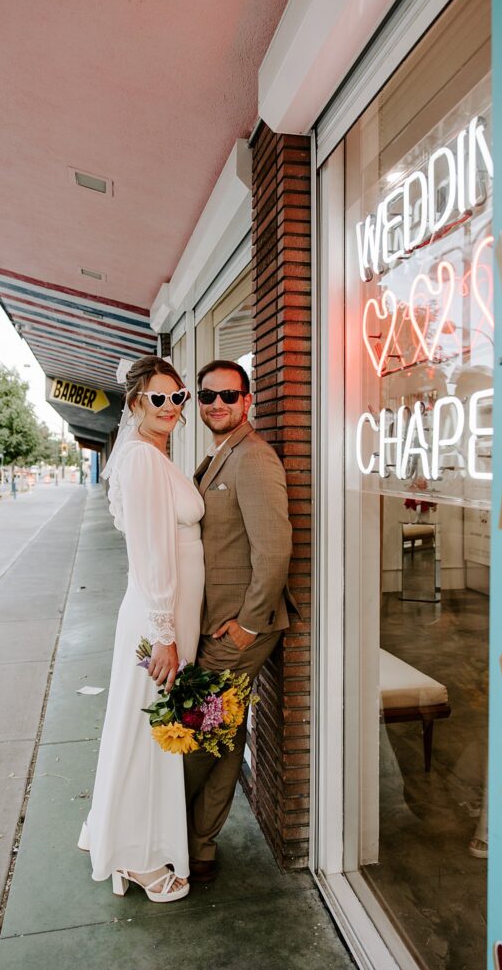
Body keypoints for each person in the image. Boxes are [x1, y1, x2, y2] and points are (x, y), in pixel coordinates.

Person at [78, 356, 204, 903]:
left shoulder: (147, 456)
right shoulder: (144, 462)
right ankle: (140, 858)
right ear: (135, 404)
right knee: (149, 735)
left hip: (162, 616)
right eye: (159, 398)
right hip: (160, 621)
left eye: (179, 398)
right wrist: (165, 634)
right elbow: (152, 553)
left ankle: (120, 838)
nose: (172, 407)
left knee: (141, 729)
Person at [184, 360, 297, 883]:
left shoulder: (253, 458)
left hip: (240, 628)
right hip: (216, 622)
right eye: (208, 396)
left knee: (197, 735)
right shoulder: (218, 457)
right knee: (223, 737)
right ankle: (200, 846)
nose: (217, 405)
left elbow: (274, 549)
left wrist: (249, 624)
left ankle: (177, 836)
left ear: (248, 400)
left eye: (229, 395)